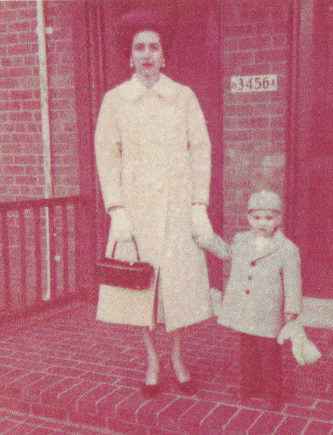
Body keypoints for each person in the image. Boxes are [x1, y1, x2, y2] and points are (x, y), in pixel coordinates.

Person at [94, 9, 215, 398]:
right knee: (138, 288)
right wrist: (117, 211)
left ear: (164, 56)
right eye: (139, 48)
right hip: (136, 211)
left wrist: (198, 205)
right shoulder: (116, 100)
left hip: (178, 208)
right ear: (130, 57)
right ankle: (152, 361)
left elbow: (200, 150)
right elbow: (107, 157)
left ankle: (178, 356)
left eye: (154, 47)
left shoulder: (183, 97)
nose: (147, 54)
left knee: (179, 287)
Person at [211, 190, 303, 410]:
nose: (262, 223)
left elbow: (293, 281)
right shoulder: (241, 240)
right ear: (249, 218)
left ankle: (273, 393)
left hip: (268, 310)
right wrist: (207, 239)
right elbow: (227, 254)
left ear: (278, 219)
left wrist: (292, 307)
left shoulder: (287, 248)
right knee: (247, 350)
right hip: (246, 308)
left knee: (269, 352)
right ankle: (249, 385)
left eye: (269, 218)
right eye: (257, 217)